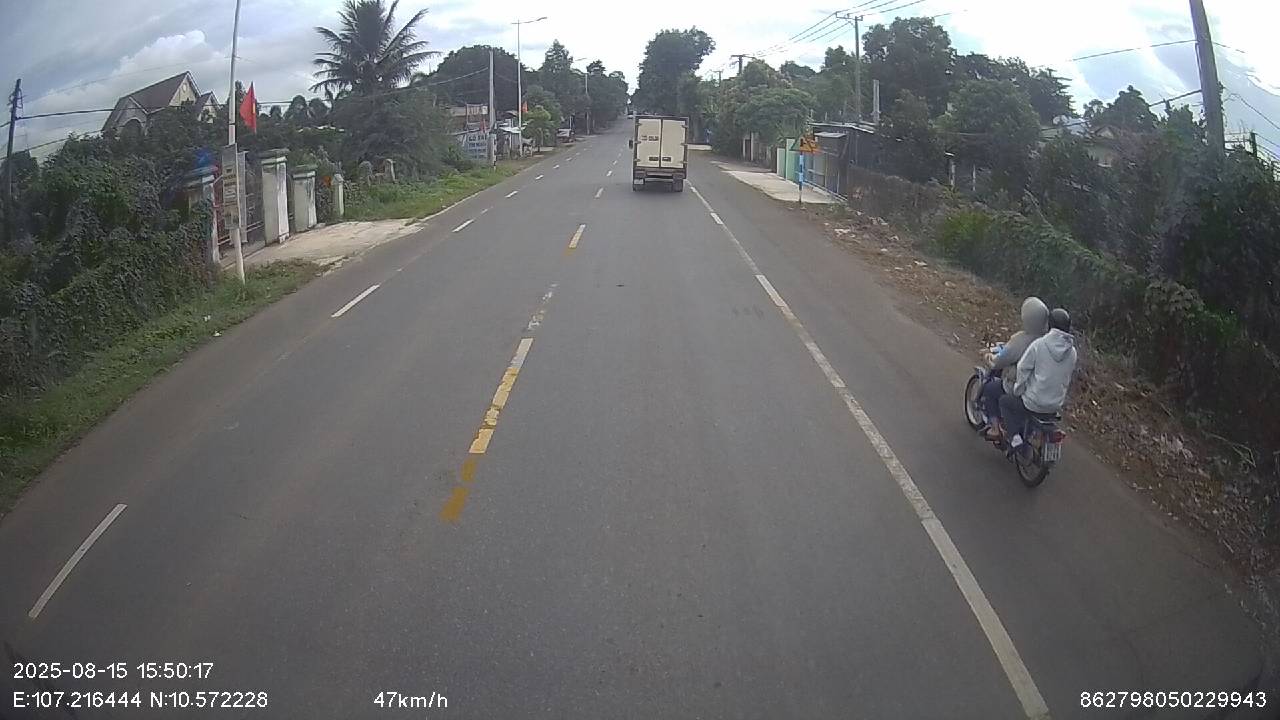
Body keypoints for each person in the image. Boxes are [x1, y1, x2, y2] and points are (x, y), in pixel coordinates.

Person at [1000, 308, 1077, 457]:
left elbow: (1022, 368)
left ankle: (1015, 439)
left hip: (1034, 403)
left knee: (1005, 402)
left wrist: (1018, 390)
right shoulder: (1072, 352)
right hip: (1054, 406)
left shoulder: (1039, 344)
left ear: (1050, 325)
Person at [980, 297, 1049, 440]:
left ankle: (995, 429)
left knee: (990, 389)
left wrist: (989, 357)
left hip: (1018, 387)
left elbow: (1002, 359)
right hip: (1039, 390)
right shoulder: (1048, 341)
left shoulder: (1021, 340)